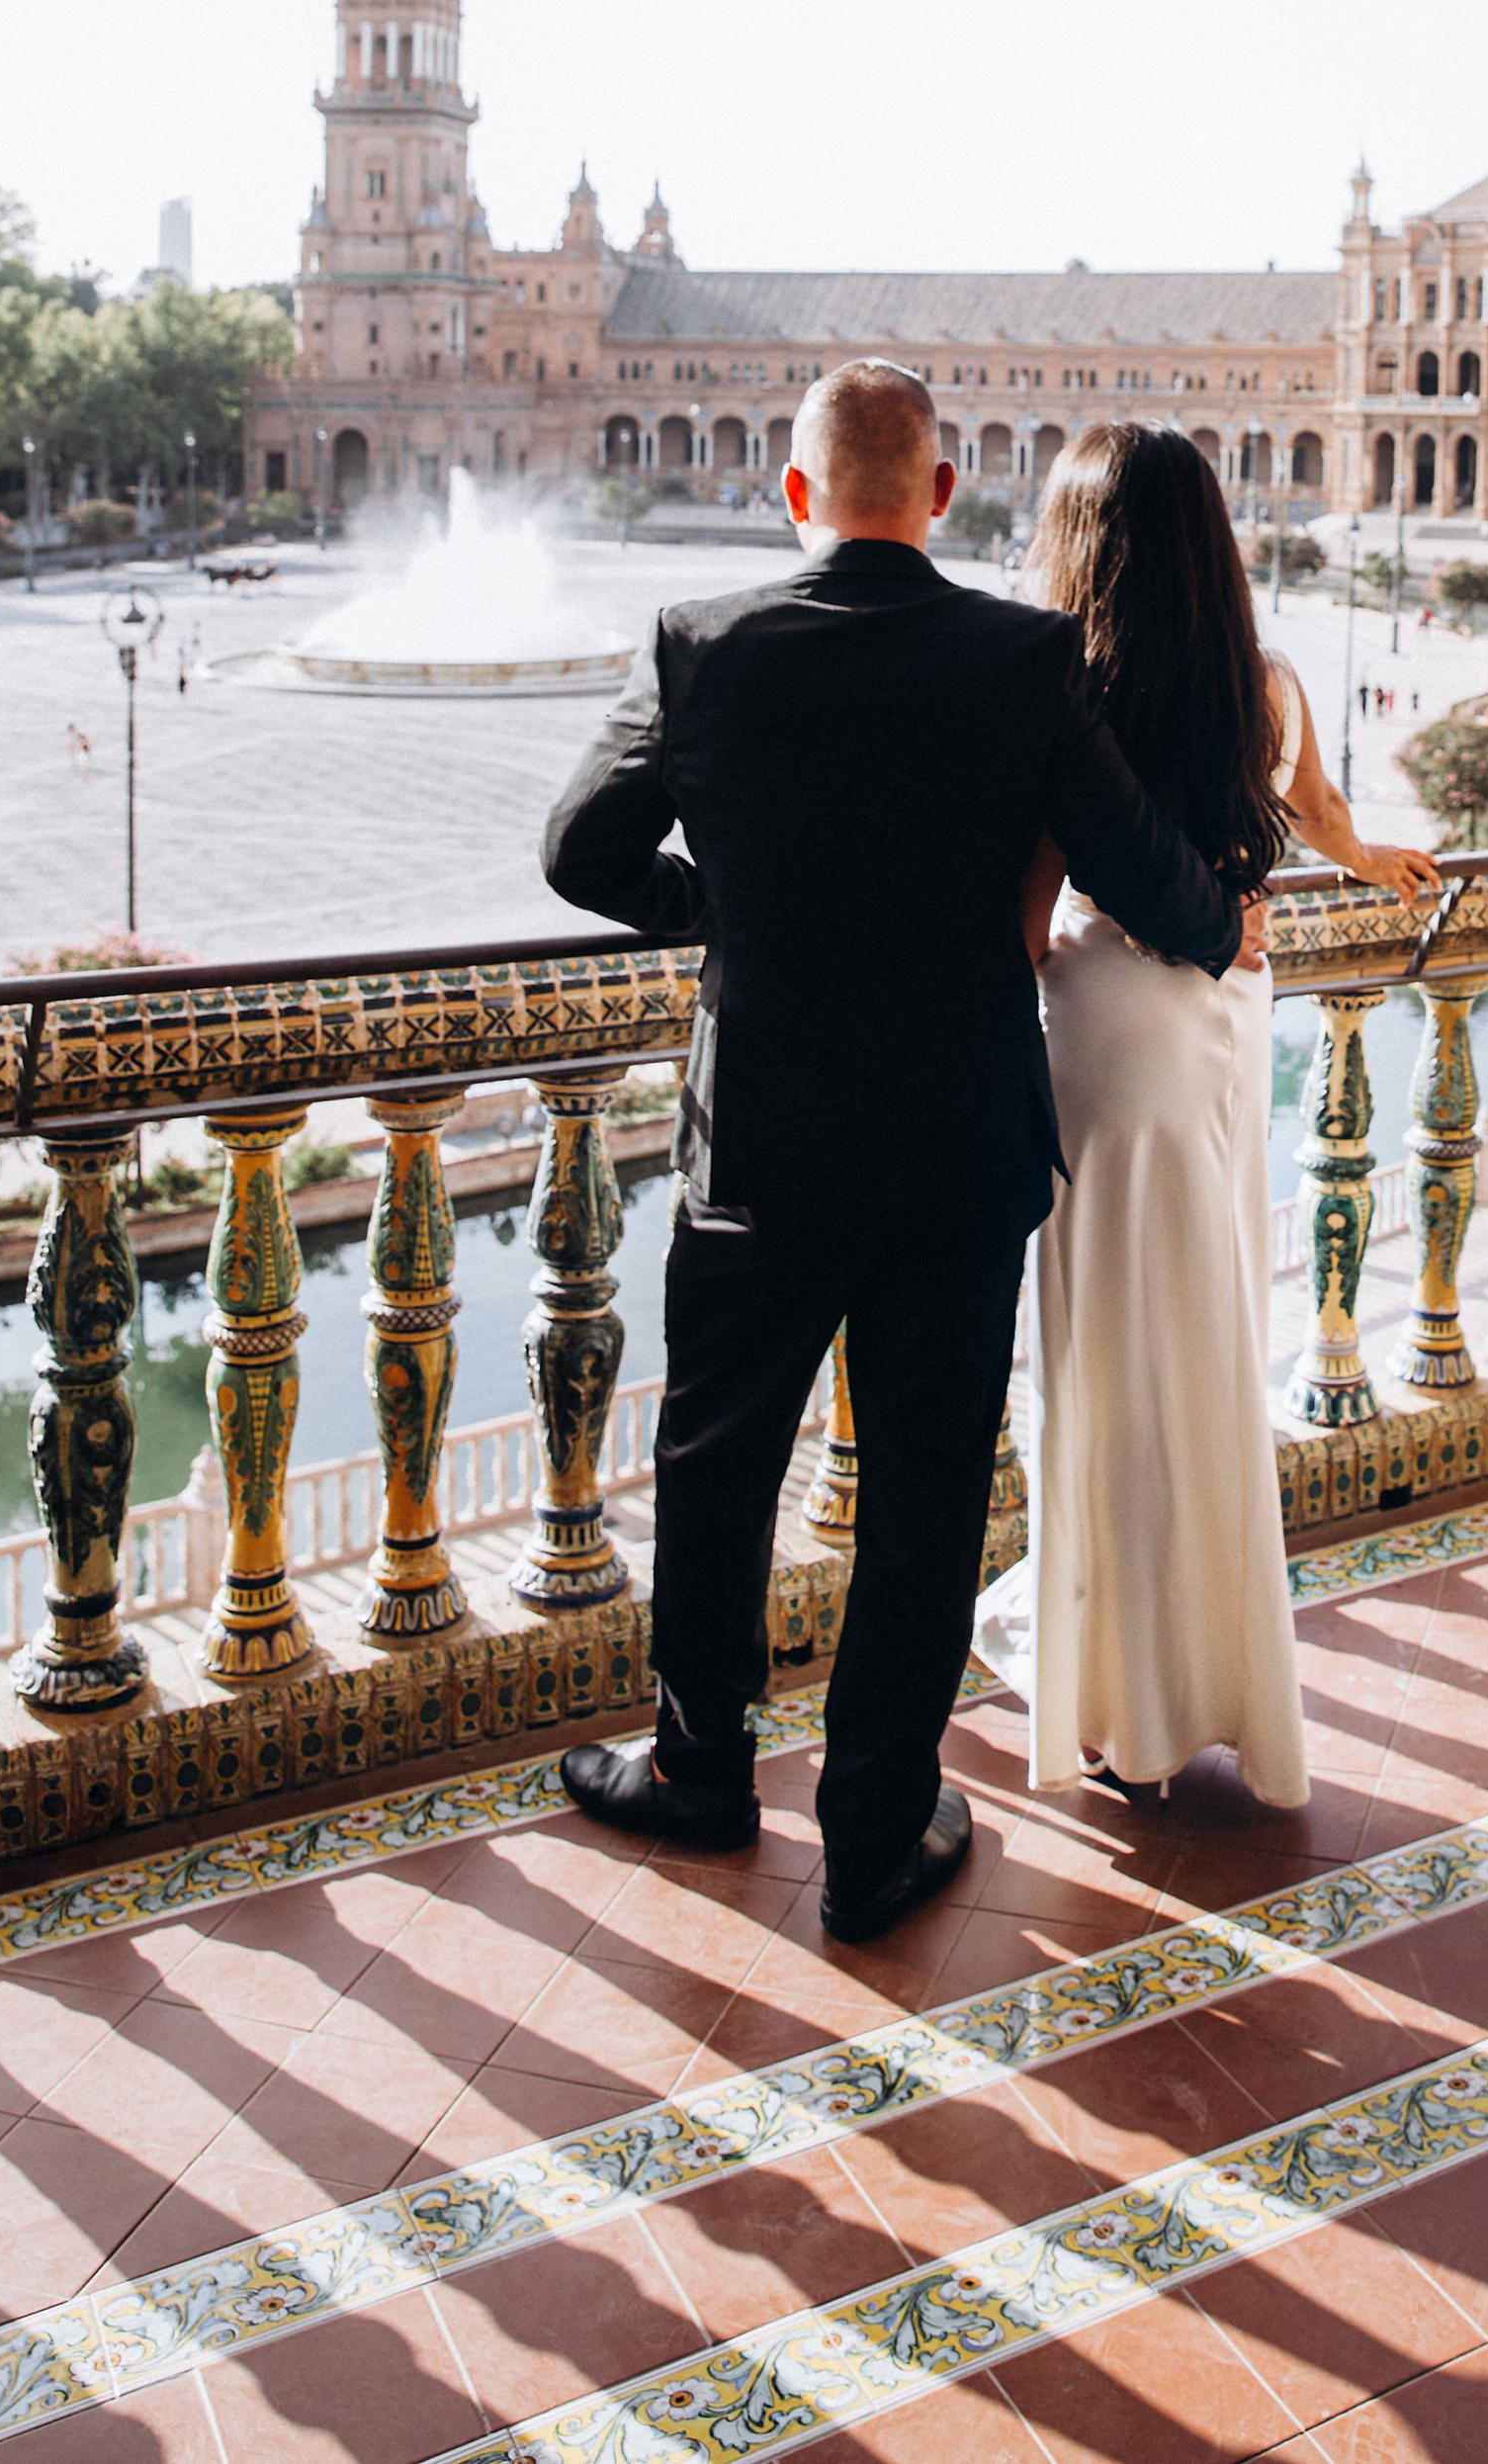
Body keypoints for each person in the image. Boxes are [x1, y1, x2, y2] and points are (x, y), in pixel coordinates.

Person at [539, 361, 1245, 1942]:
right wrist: (1223, 910)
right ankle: (872, 1832)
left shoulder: (702, 648)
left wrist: (722, 914)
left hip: (760, 1151)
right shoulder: (1025, 658)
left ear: (796, 495)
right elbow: (1161, 881)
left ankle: (703, 1769)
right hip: (953, 1153)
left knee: (717, 1468)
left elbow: (577, 849)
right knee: (924, 1493)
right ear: (940, 496)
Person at [974, 425, 1436, 1805]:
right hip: (1229, 1040)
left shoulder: (1065, 695)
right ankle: (1213, 1675)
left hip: (1107, 1034)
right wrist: (1370, 859)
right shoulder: (1268, 684)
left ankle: (1115, 1694)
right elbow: (1322, 807)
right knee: (1213, 1353)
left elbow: (1030, 913)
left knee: (1100, 1377)